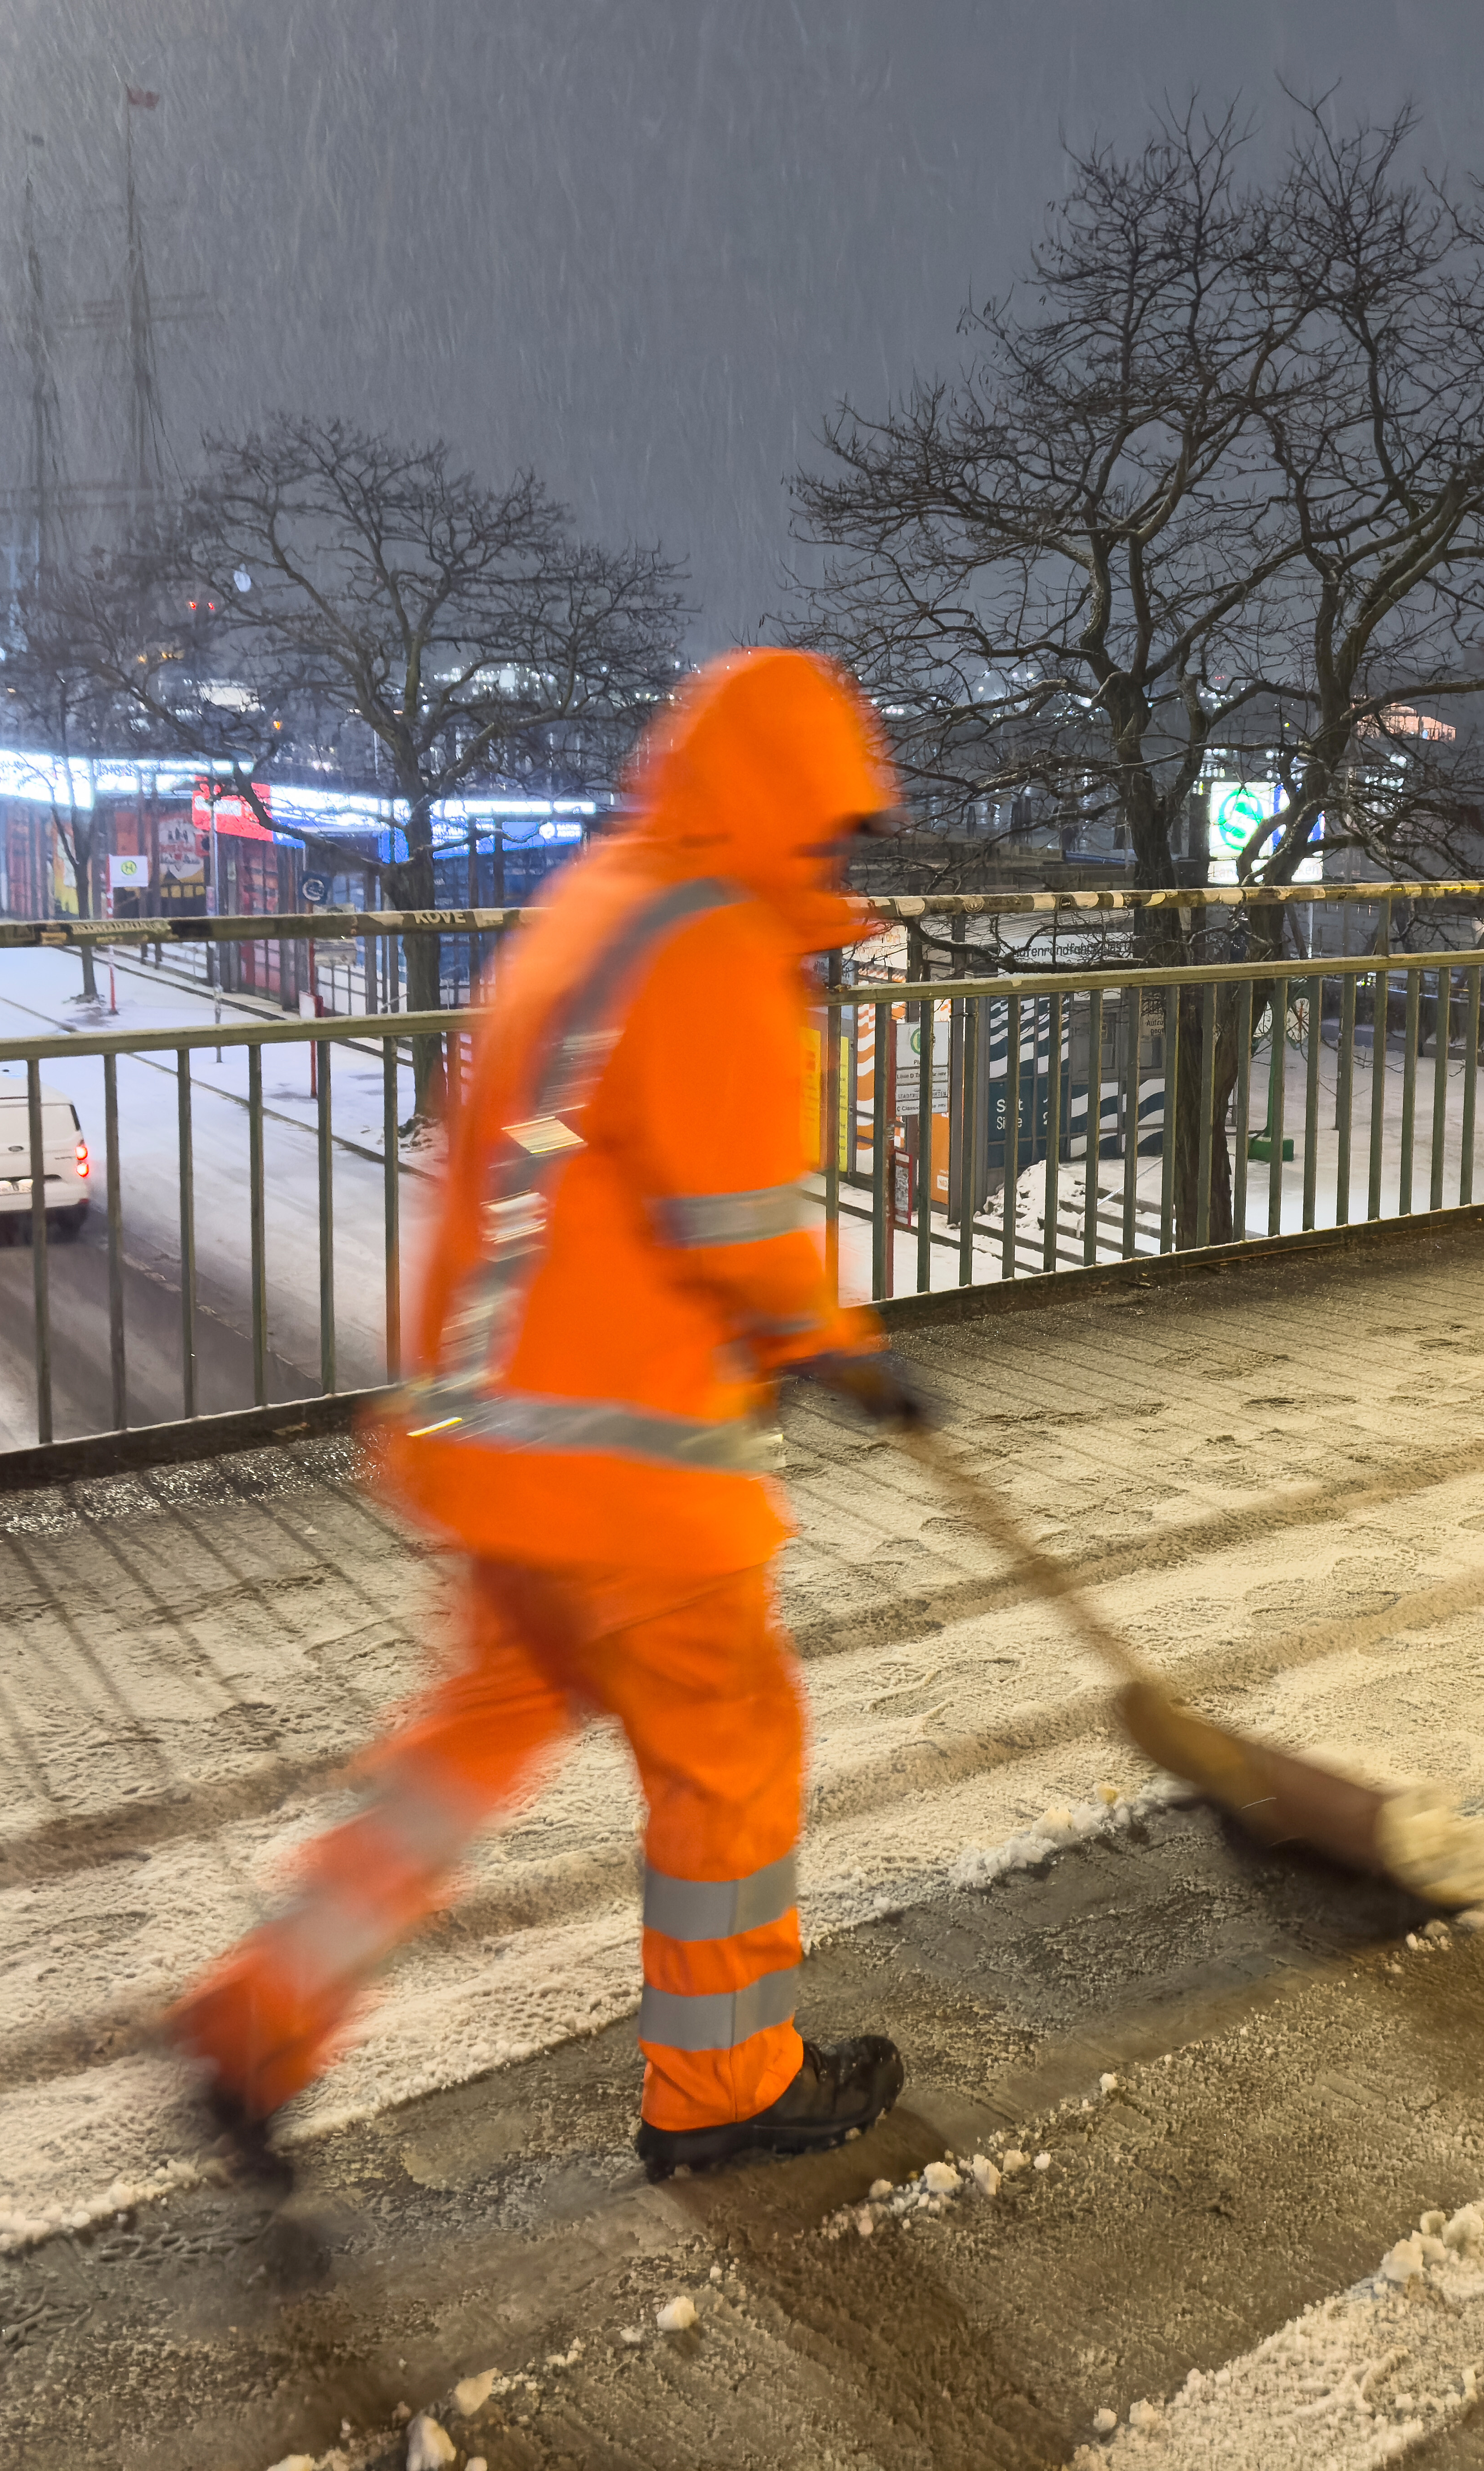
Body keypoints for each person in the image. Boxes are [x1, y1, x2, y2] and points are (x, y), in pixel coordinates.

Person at [168, 647, 928, 2190]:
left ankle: (261, 2014)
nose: (840, 861)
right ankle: (723, 2088)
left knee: (466, 1743)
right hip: (632, 1469)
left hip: (498, 1438)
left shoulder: (599, 905)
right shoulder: (713, 941)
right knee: (730, 1748)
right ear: (787, 803)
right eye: (835, 827)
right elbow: (733, 1214)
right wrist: (840, 1343)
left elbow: (544, 1155)